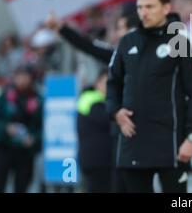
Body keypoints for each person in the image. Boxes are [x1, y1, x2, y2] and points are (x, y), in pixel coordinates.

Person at [106, 0, 192, 193]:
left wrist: (191, 137)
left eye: (150, 6)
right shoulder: (127, 42)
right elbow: (112, 83)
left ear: (166, 8)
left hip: (172, 145)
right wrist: (115, 112)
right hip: (133, 142)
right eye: (140, 7)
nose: (143, 12)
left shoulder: (182, 42)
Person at [45, 10, 138, 193]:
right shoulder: (118, 56)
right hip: (122, 135)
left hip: (149, 134)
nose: (118, 33)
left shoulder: (159, 55)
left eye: (122, 28)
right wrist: (62, 28)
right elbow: (88, 46)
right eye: (118, 28)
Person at [0, 65, 43, 193]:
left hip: (25, 151)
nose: (22, 80)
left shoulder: (38, 99)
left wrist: (33, 138)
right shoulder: (6, 96)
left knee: (22, 186)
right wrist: (6, 128)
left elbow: (42, 127)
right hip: (4, 148)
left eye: (25, 76)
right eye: (19, 76)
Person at [77, 68, 112, 193]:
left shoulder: (93, 98)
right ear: (97, 83)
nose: (108, 87)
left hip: (98, 159)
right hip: (97, 159)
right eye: (105, 82)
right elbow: (106, 120)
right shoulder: (91, 99)